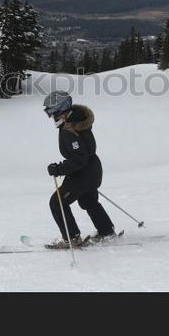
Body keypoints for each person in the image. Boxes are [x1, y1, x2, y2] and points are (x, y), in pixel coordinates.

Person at [43, 91, 115, 249]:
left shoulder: (70, 128)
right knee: (87, 200)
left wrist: (59, 168)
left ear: (61, 109)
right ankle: (106, 230)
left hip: (83, 174)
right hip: (92, 170)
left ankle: (72, 238)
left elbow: (79, 158)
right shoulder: (76, 122)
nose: (51, 117)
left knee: (57, 203)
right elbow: (82, 154)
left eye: (51, 112)